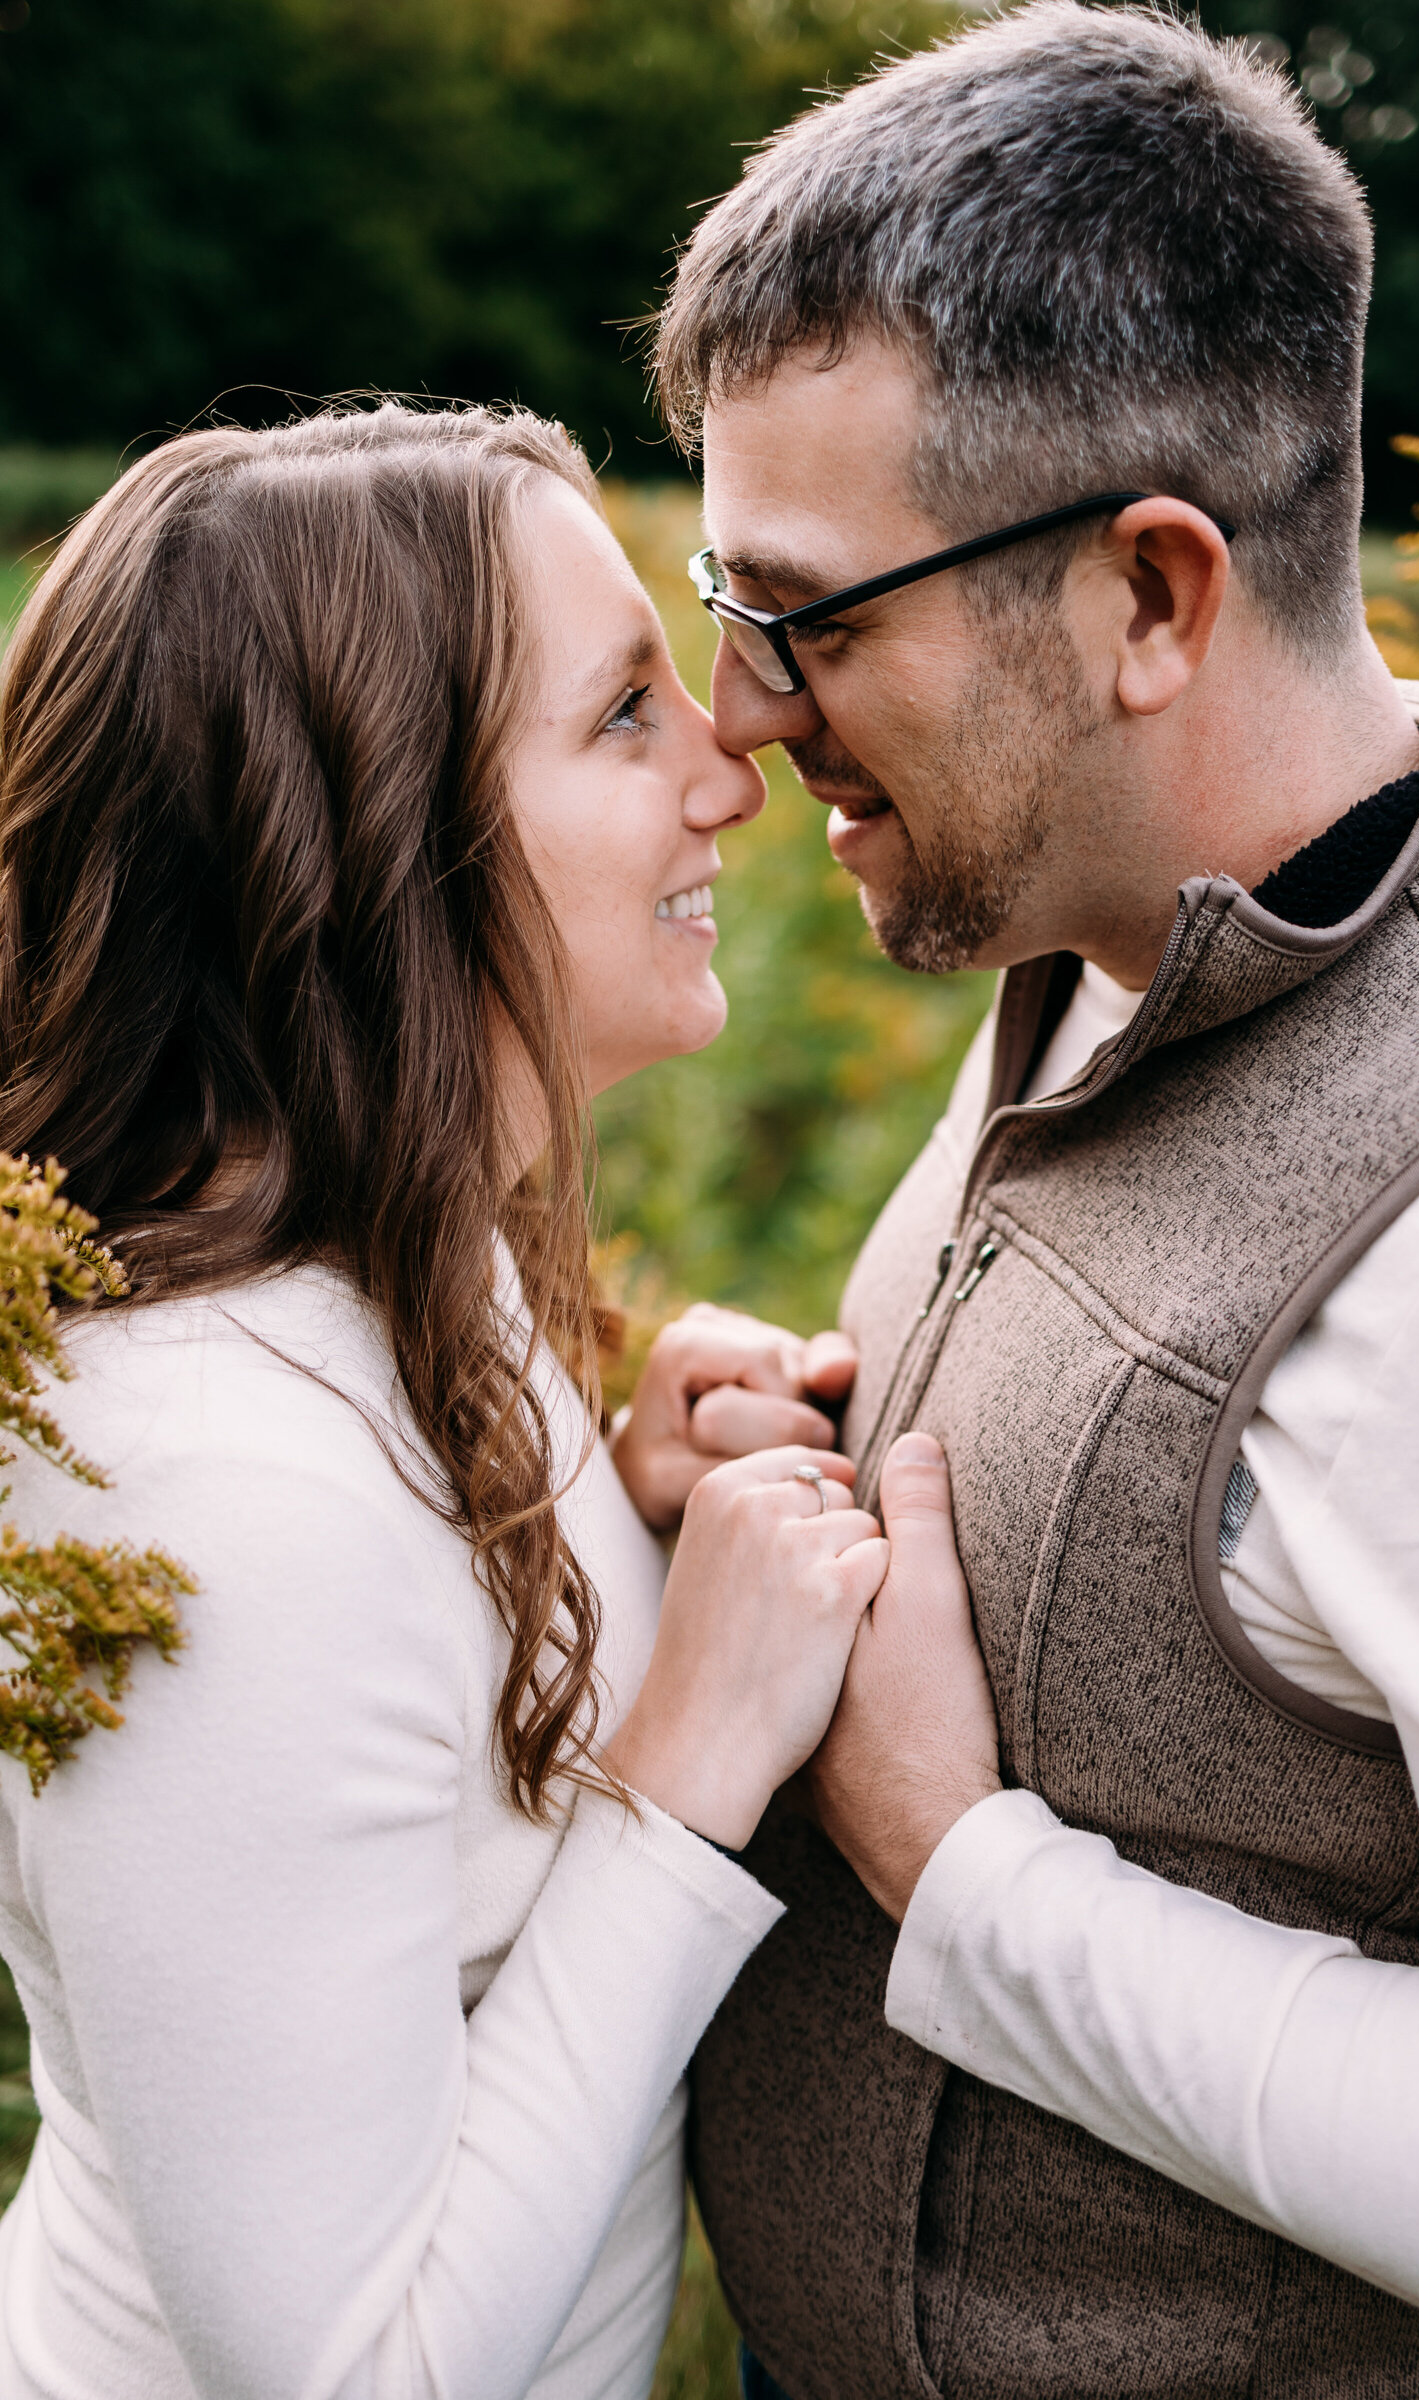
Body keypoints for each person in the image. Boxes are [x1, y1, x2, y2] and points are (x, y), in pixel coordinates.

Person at [649, 8, 1419, 2398]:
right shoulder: (1101, 927)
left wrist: (963, 1877)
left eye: (809, 618)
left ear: (1151, 597)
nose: (741, 717)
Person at [0, 399, 909, 2400]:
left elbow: (414, 1719)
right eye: (617, 719)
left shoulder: (416, 1271)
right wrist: (685, 1772)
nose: (728, 774)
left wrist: (603, 1478)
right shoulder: (212, 1508)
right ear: (377, 844)